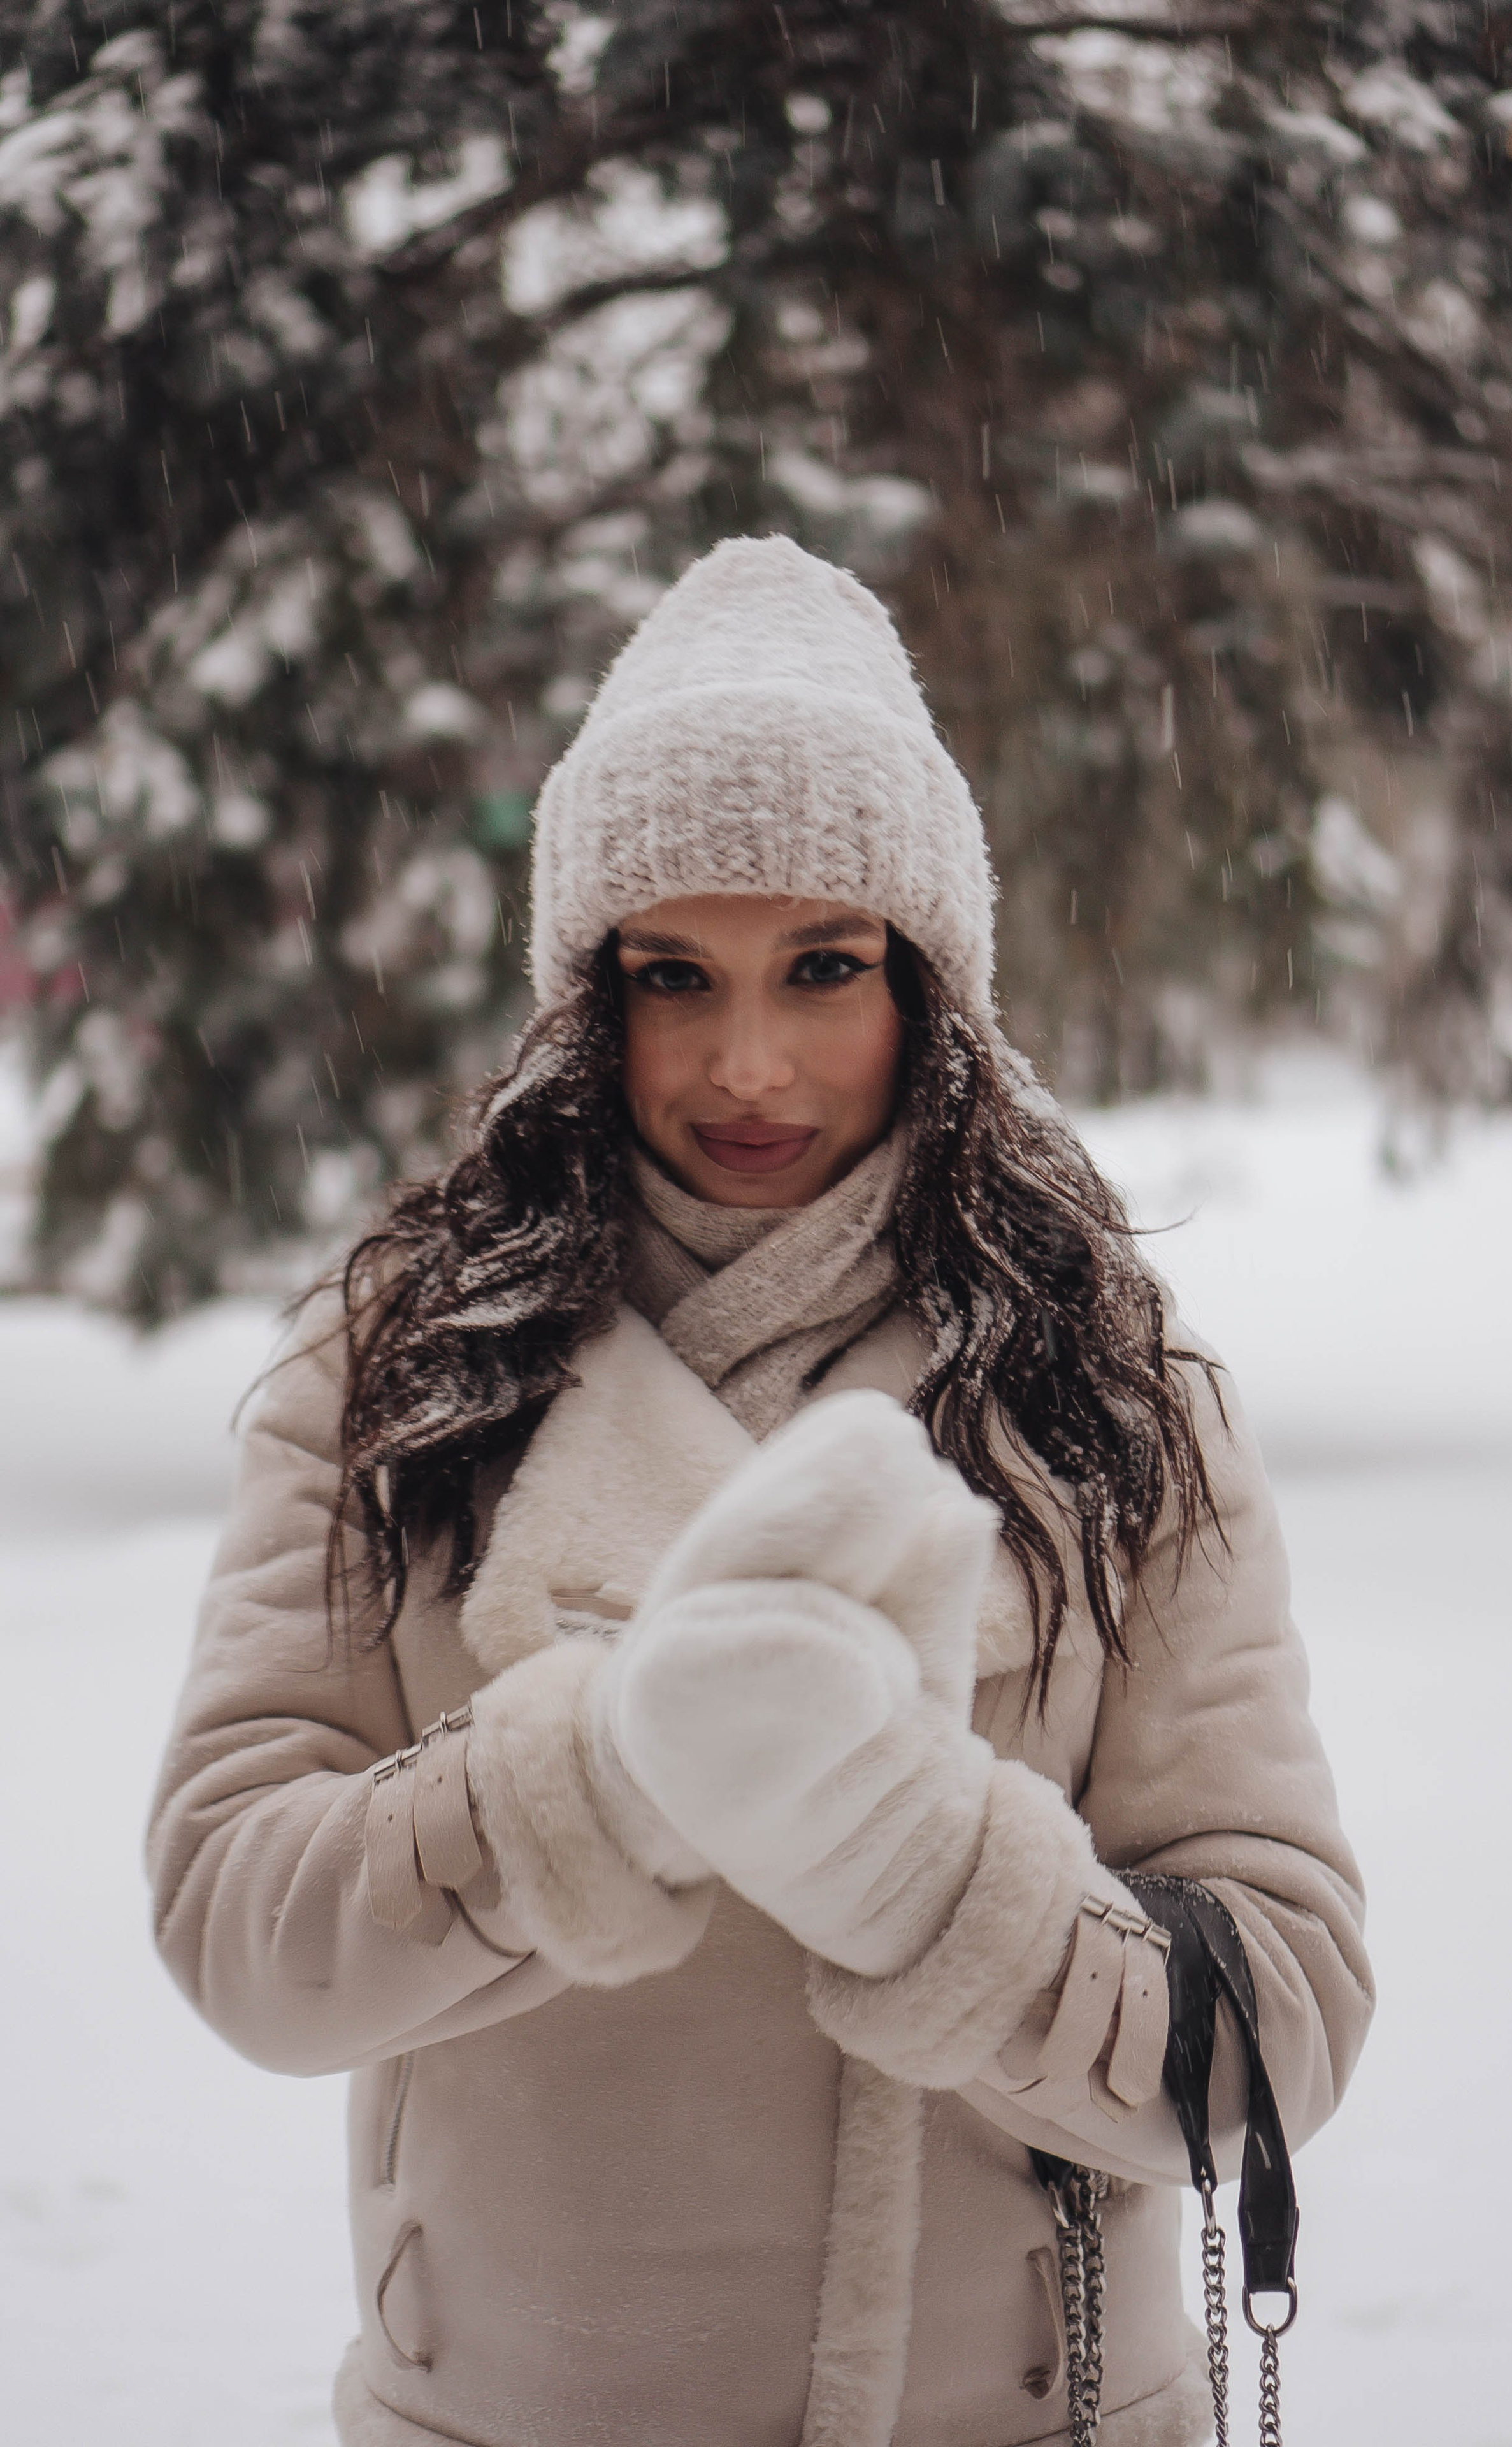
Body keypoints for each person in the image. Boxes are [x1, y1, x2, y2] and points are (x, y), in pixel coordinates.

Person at [148, 537, 1372, 2447]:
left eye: (823, 968)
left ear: (931, 987)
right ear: (587, 996)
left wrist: (915, 1860)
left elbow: (1276, 2017)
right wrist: (598, 1779)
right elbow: (240, 1926)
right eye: (672, 976)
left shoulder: (1111, 1388)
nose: (746, 1062)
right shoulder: (395, 1365)